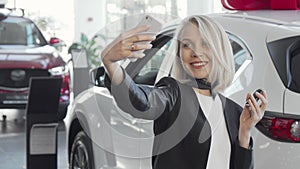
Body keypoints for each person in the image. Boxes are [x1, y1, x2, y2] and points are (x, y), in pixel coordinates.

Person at [101, 15, 268, 169]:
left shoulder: (235, 112)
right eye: (187, 45)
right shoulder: (172, 93)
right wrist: (111, 64)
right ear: (179, 54)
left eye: (205, 43)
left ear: (220, 50)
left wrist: (245, 131)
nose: (196, 52)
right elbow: (140, 102)